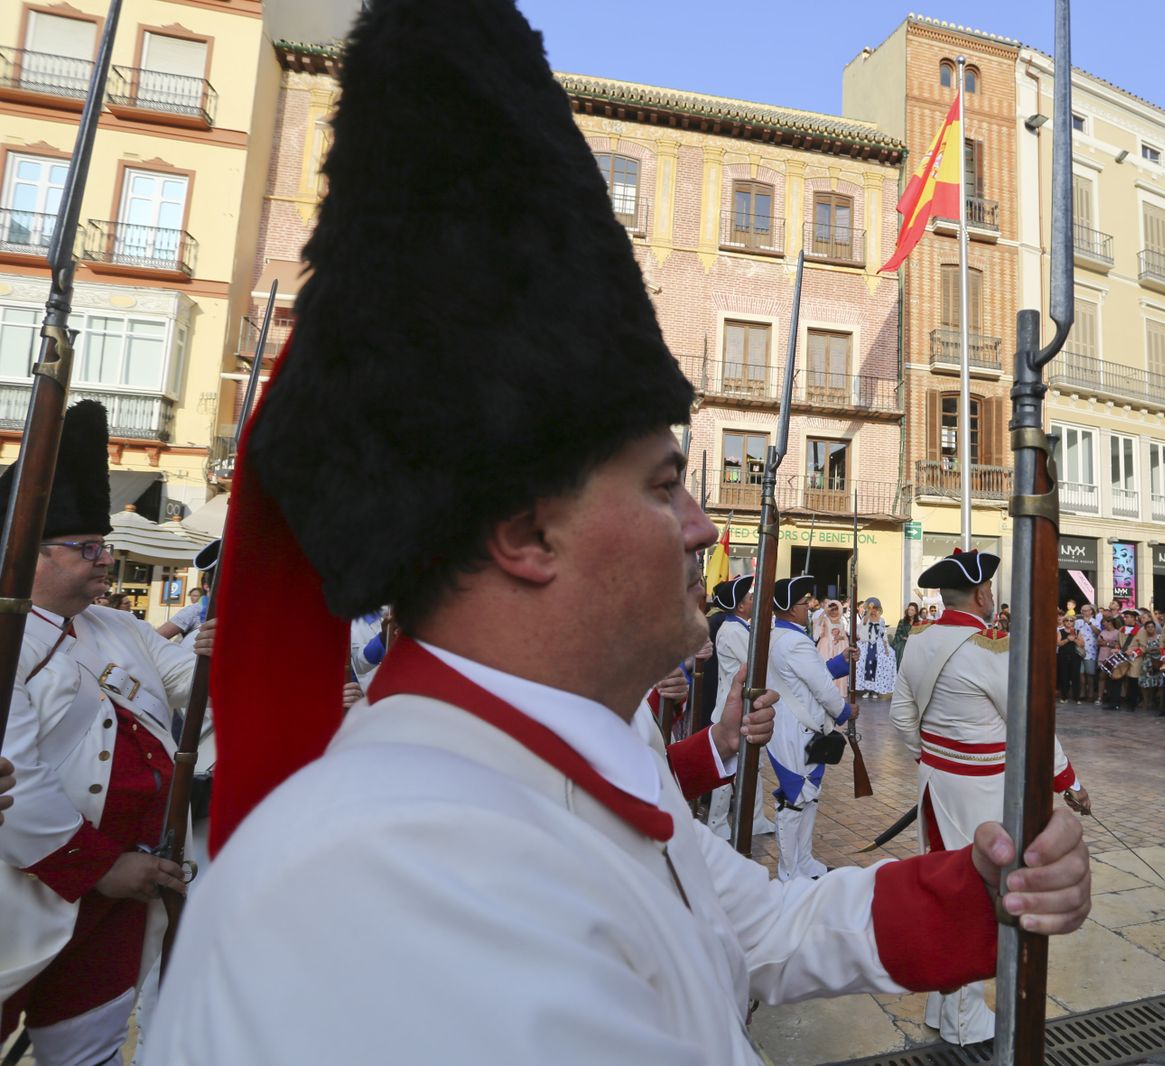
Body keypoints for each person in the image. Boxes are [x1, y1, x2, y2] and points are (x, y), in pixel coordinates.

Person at [142, 6, 1093, 1061]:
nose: (699, 526)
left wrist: (977, 886)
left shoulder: (578, 754)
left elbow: (752, 923)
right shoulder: (393, 870)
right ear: (526, 534)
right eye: (663, 484)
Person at [0, 403, 208, 1066]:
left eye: (105, 547)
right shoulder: (7, 636)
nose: (104, 561)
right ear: (31, 554)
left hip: (124, 889)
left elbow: (195, 682)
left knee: (87, 1054)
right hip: (27, 887)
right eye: (87, 548)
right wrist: (101, 868)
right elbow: (16, 779)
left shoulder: (117, 626)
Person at [890, 549, 1087, 1046]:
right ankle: (963, 1019)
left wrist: (931, 758)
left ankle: (943, 1003)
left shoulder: (917, 639)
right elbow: (1030, 721)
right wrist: (1070, 783)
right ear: (981, 594)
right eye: (991, 590)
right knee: (977, 894)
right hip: (981, 790)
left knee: (942, 882)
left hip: (936, 783)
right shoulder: (989, 648)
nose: (994, 596)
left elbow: (898, 716)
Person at [764, 577, 858, 881]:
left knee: (808, 796)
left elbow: (812, 675)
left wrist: (841, 661)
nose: (809, 607)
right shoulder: (794, 641)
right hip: (797, 730)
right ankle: (790, 872)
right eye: (804, 603)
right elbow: (822, 688)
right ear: (791, 609)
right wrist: (844, 711)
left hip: (794, 727)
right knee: (795, 800)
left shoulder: (779, 637)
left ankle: (804, 861)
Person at [704, 576, 775, 842]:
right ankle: (716, 821)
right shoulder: (733, 631)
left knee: (752, 766)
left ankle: (754, 817)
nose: (753, 601)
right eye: (749, 598)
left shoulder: (740, 628)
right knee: (728, 769)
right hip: (731, 710)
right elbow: (756, 662)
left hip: (742, 708)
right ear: (740, 606)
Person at [855, 598, 897, 699]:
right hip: (867, 644)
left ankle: (875, 690)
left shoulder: (881, 620)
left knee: (877, 663)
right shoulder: (865, 618)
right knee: (866, 663)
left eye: (875, 608)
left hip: (878, 645)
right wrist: (868, 612)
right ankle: (867, 689)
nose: (873, 610)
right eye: (871, 608)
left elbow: (883, 634)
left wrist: (886, 648)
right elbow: (862, 627)